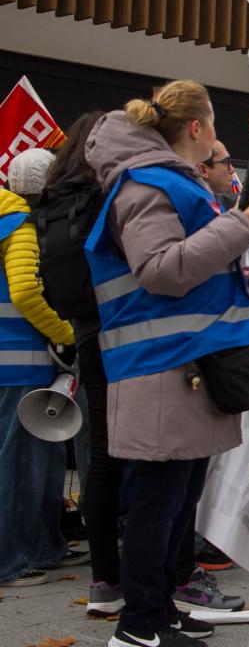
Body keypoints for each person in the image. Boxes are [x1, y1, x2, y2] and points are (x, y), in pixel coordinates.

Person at [84, 80, 249, 647]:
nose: (218, 137)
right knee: (156, 502)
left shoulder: (170, 183)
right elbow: (161, 269)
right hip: (161, 365)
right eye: (214, 126)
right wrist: (241, 228)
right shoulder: (145, 184)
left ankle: (161, 609)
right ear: (196, 128)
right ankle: (138, 625)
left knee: (178, 501)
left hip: (186, 363)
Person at [0, 150, 80, 589]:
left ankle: (42, 546)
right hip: (19, 362)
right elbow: (27, 291)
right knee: (17, 464)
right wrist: (66, 331)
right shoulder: (21, 225)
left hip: (10, 363)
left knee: (30, 461)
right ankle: (11, 559)